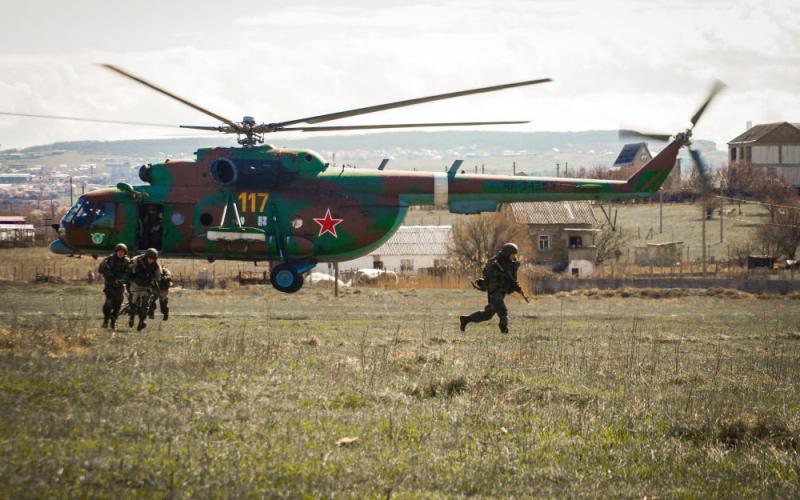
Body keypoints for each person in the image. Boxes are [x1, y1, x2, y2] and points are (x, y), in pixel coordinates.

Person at [460, 243, 522, 334]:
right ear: (507, 253)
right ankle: (504, 328)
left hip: (502, 291)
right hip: (494, 290)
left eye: (515, 254)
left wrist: (516, 287)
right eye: (512, 254)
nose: (514, 256)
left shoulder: (512, 264)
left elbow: (513, 278)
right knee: (502, 311)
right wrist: (499, 275)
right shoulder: (495, 262)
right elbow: (487, 274)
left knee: (488, 314)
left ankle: (465, 319)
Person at [128, 248, 162, 331]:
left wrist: (153, 282)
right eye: (149, 258)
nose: (151, 260)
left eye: (153, 259)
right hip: (135, 285)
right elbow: (130, 270)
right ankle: (131, 317)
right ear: (146, 257)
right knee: (132, 304)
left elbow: (157, 277)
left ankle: (142, 321)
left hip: (146, 287)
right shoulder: (137, 260)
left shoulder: (157, 266)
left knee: (145, 305)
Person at [98, 243, 130, 330]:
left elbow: (127, 274)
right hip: (109, 286)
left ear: (124, 253)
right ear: (116, 252)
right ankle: (105, 321)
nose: (120, 253)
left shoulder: (126, 262)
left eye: (122, 252)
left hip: (119, 287)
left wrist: (121, 281)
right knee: (108, 305)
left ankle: (113, 322)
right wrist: (108, 274)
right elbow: (100, 270)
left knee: (117, 306)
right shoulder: (109, 260)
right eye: (119, 251)